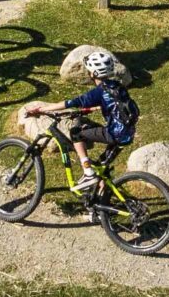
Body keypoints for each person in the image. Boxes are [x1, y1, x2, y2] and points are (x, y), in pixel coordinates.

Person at [55, 50, 139, 194]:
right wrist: (93, 108)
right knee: (101, 169)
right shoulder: (117, 85)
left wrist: (44, 108)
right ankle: (99, 208)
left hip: (114, 134)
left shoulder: (100, 91)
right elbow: (114, 104)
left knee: (76, 133)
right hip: (127, 134)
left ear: (93, 74)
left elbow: (74, 102)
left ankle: (87, 172)